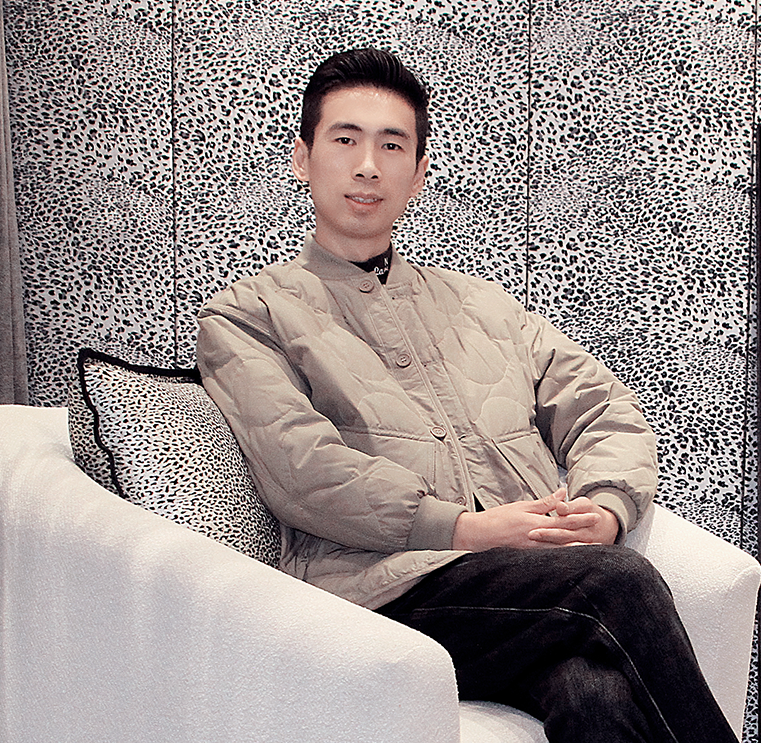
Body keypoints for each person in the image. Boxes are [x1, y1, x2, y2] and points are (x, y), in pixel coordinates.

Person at [197, 48, 738, 743]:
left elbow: (603, 407)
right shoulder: (249, 315)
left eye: (392, 145)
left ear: (419, 173)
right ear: (304, 158)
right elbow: (303, 468)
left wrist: (606, 506)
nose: (368, 165)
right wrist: (464, 529)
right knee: (617, 584)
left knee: (593, 690)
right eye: (345, 140)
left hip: (527, 587)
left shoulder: (483, 307)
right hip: (381, 594)